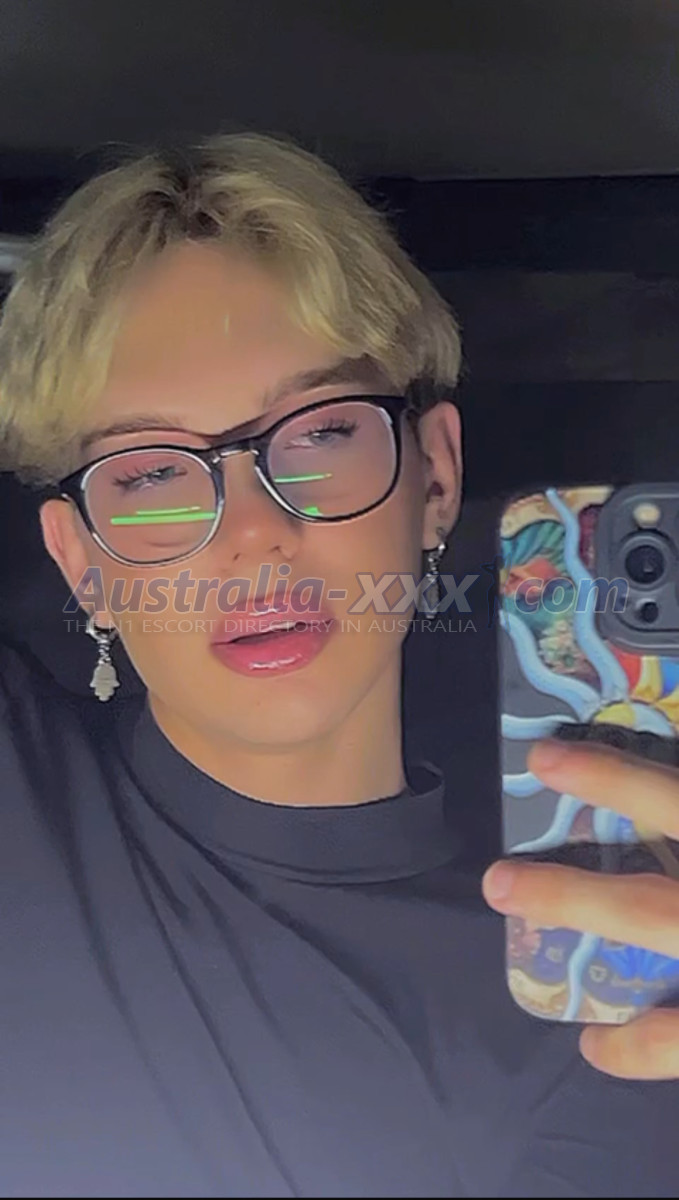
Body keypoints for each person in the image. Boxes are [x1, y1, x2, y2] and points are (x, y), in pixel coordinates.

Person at [0, 132, 678, 1199]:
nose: (254, 534)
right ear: (80, 560)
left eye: (319, 433)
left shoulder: (591, 978)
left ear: (434, 479)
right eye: (151, 474)